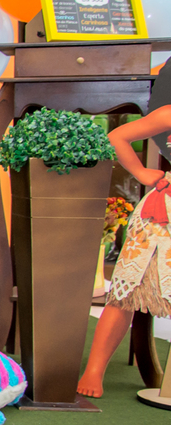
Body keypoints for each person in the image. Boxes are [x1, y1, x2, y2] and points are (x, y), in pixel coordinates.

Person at [78, 106, 171, 397]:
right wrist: (141, 172)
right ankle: (95, 369)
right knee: (125, 292)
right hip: (160, 216)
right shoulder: (169, 114)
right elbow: (117, 137)